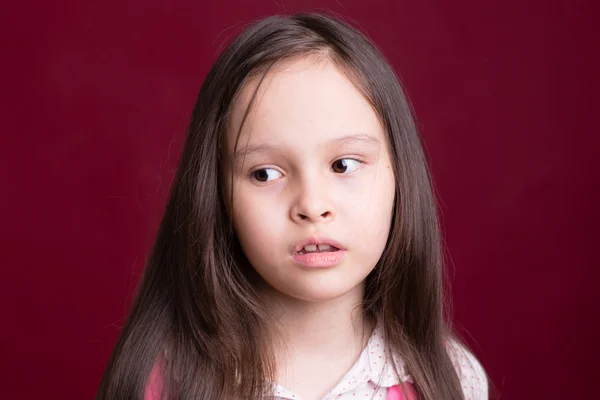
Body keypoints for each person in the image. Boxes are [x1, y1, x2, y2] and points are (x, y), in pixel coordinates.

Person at [97, 12, 488, 400]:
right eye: (265, 174)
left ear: (400, 177)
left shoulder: (450, 380)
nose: (312, 206)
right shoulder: (167, 385)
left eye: (343, 165)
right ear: (217, 197)